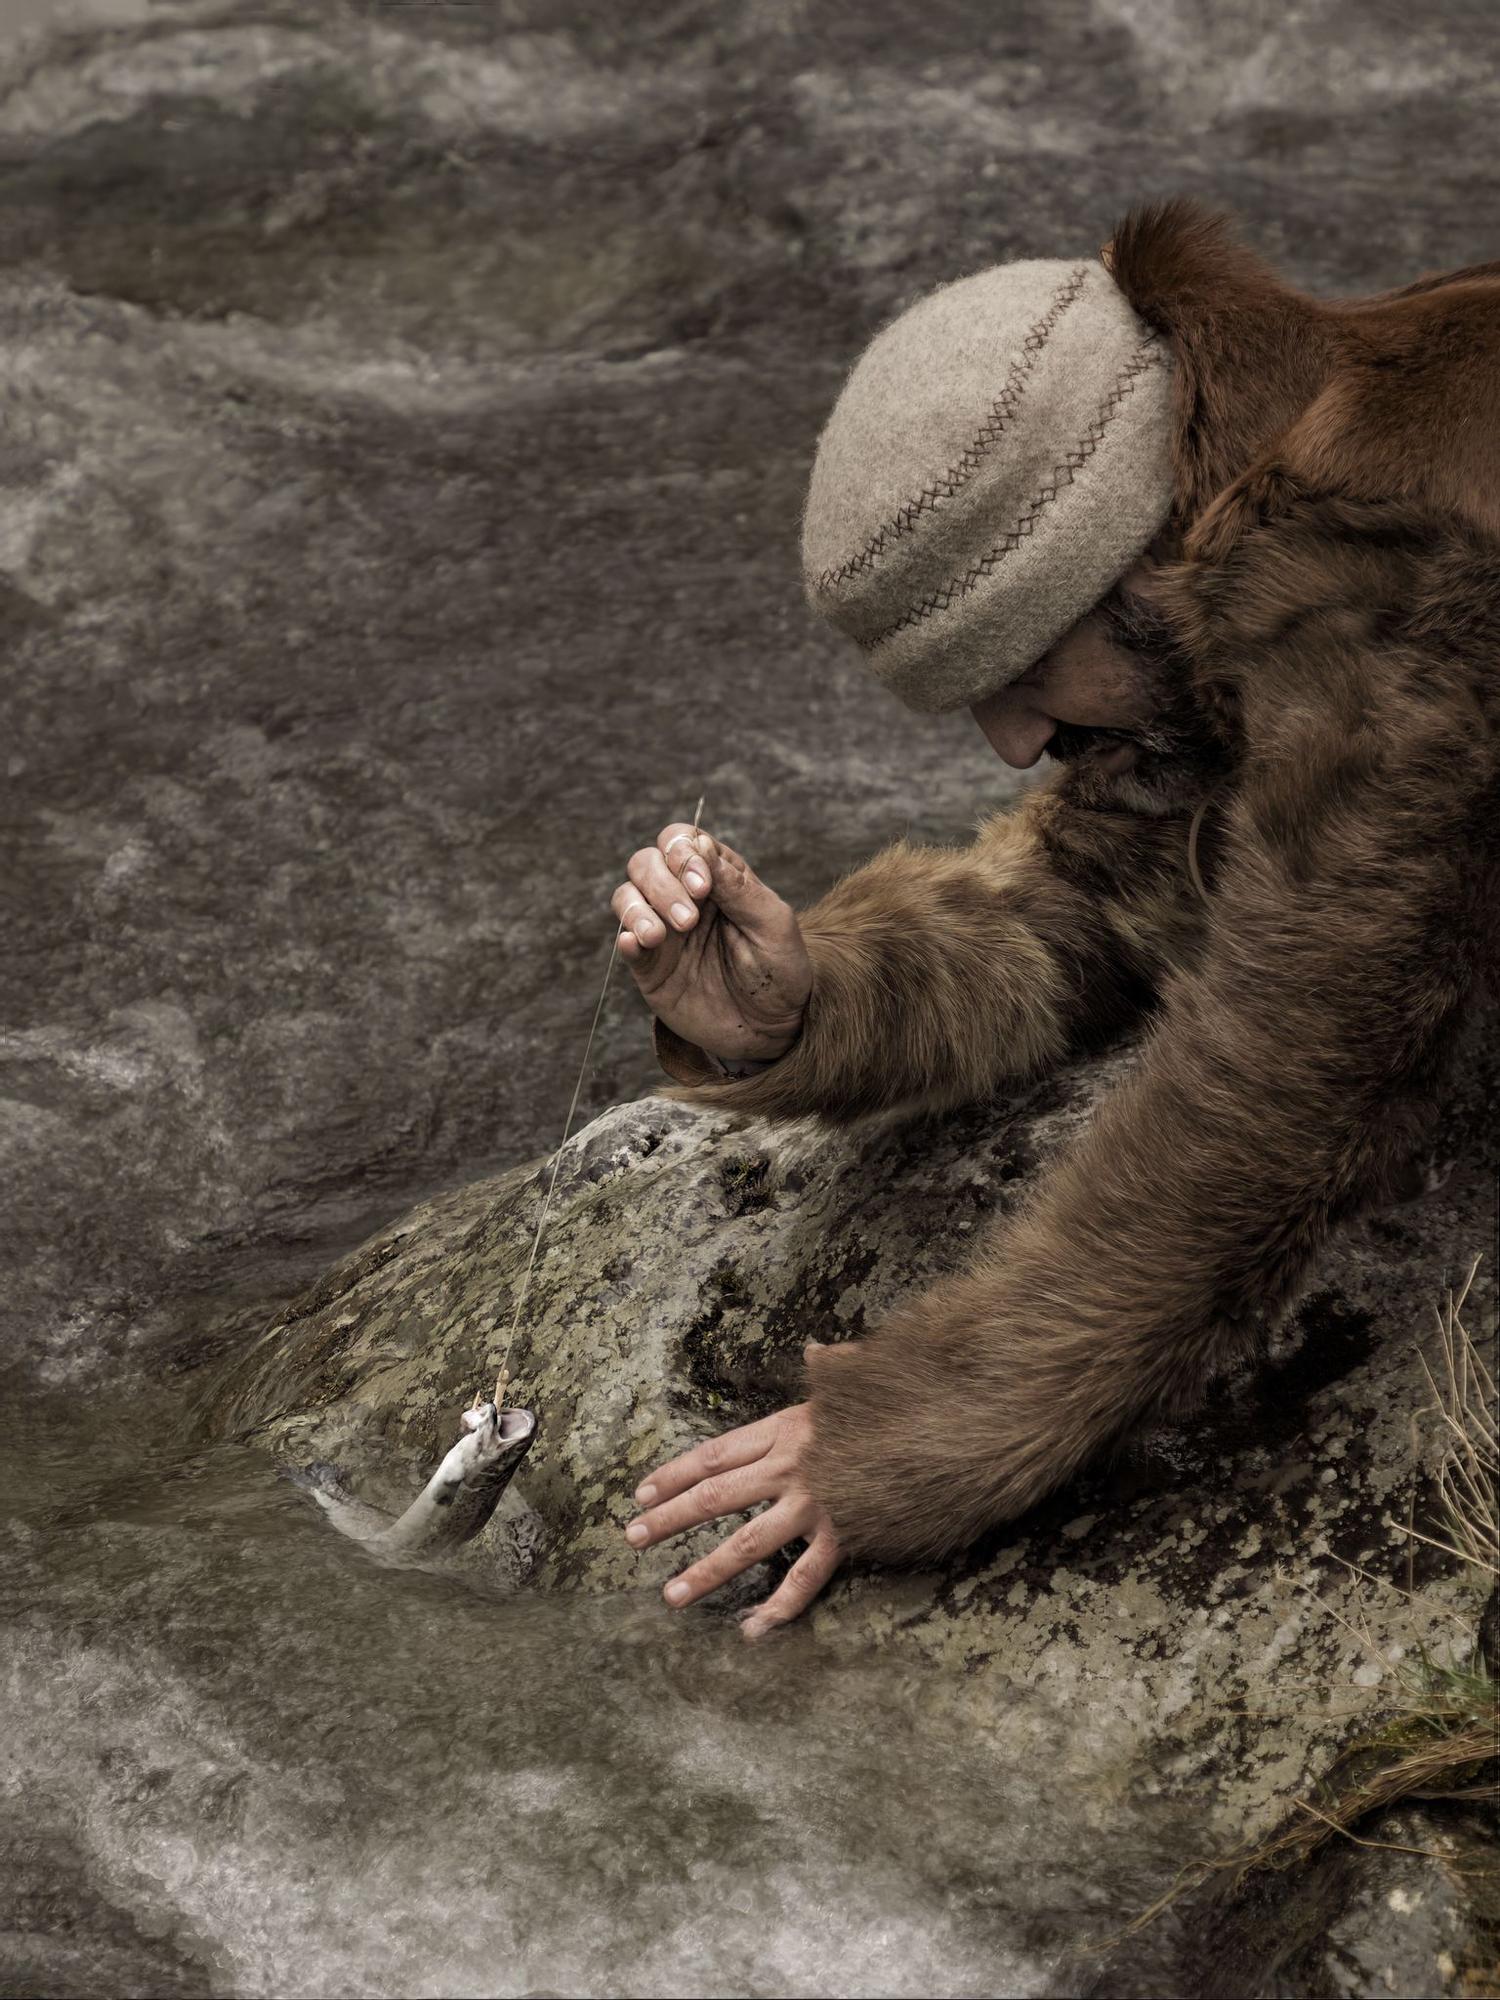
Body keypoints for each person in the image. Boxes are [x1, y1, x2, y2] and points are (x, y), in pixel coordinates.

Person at [607, 197, 1500, 1640]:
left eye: (1020, 671)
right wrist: (803, 1006)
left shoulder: (1401, 554)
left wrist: (919, 1433)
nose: (1014, 746)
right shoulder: (1281, 454)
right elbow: (1111, 902)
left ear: (1128, 557)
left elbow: (1299, 1073)